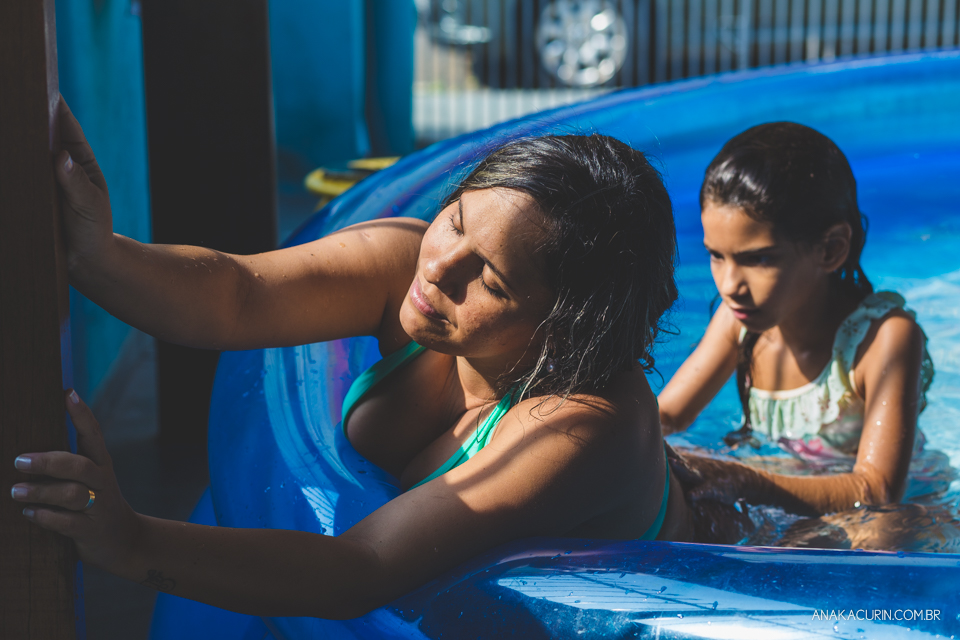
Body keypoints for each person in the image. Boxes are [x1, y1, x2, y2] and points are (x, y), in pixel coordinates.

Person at [10, 100, 690, 619]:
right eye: (456, 219)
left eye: (491, 279)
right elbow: (237, 295)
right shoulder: (413, 264)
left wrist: (130, 541)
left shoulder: (581, 427)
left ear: (567, 328)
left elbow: (363, 569)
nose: (439, 267)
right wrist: (98, 254)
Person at [659, 122, 933, 524]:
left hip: (870, 508)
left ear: (830, 250)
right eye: (717, 256)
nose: (730, 284)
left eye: (759, 259)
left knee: (883, 532)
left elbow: (876, 489)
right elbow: (666, 417)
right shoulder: (738, 322)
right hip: (785, 482)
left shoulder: (882, 341)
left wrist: (744, 480)